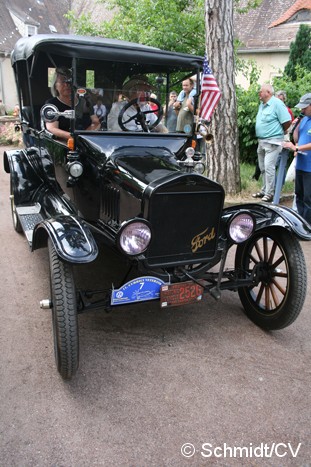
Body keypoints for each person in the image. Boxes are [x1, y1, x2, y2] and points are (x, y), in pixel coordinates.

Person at [252, 84, 292, 202]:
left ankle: (270, 193)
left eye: (261, 91)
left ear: (268, 92)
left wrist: (280, 132)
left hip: (273, 142)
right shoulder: (262, 105)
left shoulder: (277, 104)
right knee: (263, 167)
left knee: (269, 167)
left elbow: (287, 121)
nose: (259, 93)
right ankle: (265, 190)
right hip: (262, 141)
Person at [45, 67, 100, 140]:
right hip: (64, 145)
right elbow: (52, 128)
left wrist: (86, 135)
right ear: (55, 86)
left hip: (88, 142)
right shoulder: (52, 104)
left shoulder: (85, 102)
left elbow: (96, 122)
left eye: (69, 82)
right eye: (62, 81)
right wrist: (75, 138)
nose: (66, 85)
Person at [282, 93, 311, 224]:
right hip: (300, 165)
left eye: (305, 107)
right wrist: (295, 127)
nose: (302, 110)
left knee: (308, 198)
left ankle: (308, 226)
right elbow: (297, 140)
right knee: (299, 196)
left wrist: (297, 148)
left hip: (310, 167)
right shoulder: (304, 119)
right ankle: (300, 224)